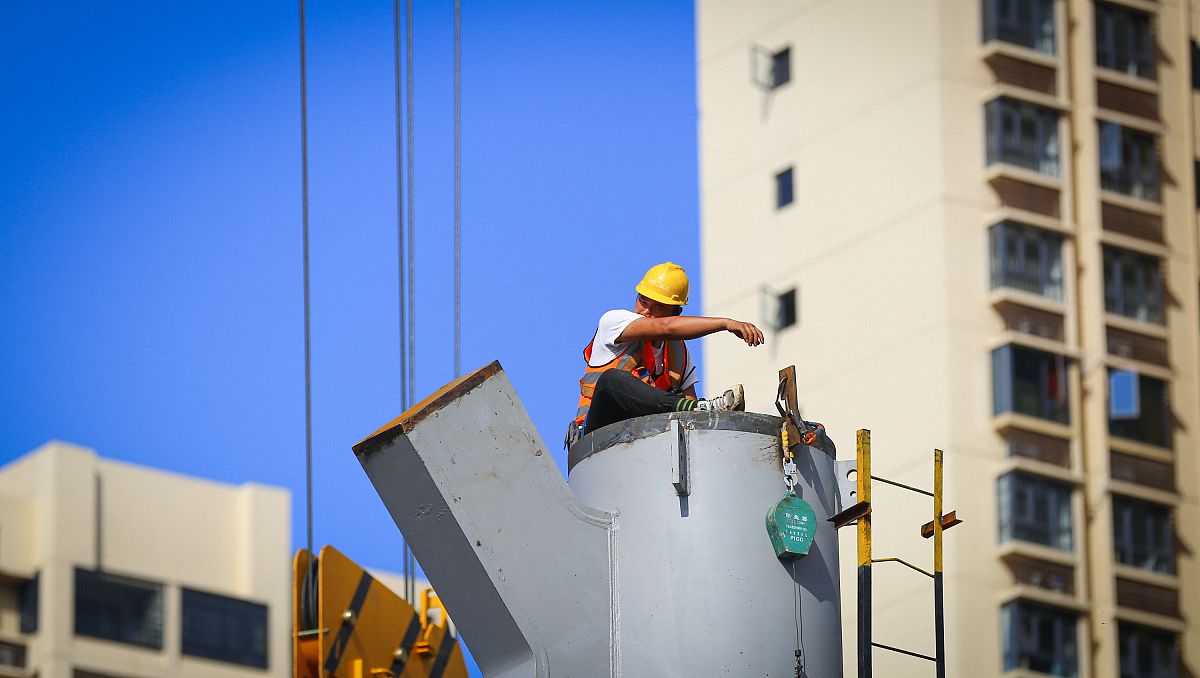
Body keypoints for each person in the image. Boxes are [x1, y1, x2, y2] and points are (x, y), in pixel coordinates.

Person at [566, 262, 765, 447]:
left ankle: (707, 412)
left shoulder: (678, 354)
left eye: (659, 307)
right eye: (643, 301)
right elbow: (665, 327)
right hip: (597, 435)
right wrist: (726, 324)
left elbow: (691, 409)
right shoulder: (613, 322)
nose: (645, 311)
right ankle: (703, 409)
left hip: (644, 439)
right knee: (611, 381)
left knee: (691, 410)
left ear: (676, 313)